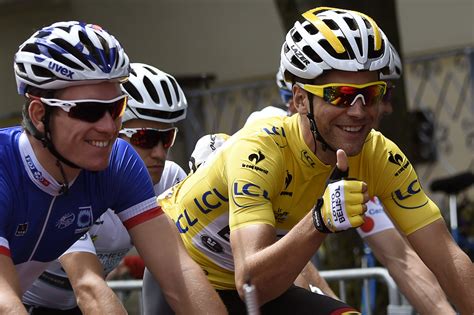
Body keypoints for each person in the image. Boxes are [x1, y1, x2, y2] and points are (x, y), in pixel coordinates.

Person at [161, 7, 473, 314]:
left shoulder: (379, 155)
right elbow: (252, 285)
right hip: (185, 272)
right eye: (341, 95)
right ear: (299, 99)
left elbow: (446, 256)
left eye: (373, 94)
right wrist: (319, 221)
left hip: (262, 289)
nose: (359, 111)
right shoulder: (259, 150)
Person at [0, 21, 226, 315]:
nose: (108, 127)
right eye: (90, 111)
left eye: (116, 108)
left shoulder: (117, 162)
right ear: (40, 114)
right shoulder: (6, 166)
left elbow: (179, 274)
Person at [21, 62, 196, 314]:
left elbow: (181, 272)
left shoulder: (170, 178)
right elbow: (87, 285)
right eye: (144, 138)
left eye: (166, 138)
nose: (159, 153)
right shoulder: (73, 180)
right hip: (26, 299)